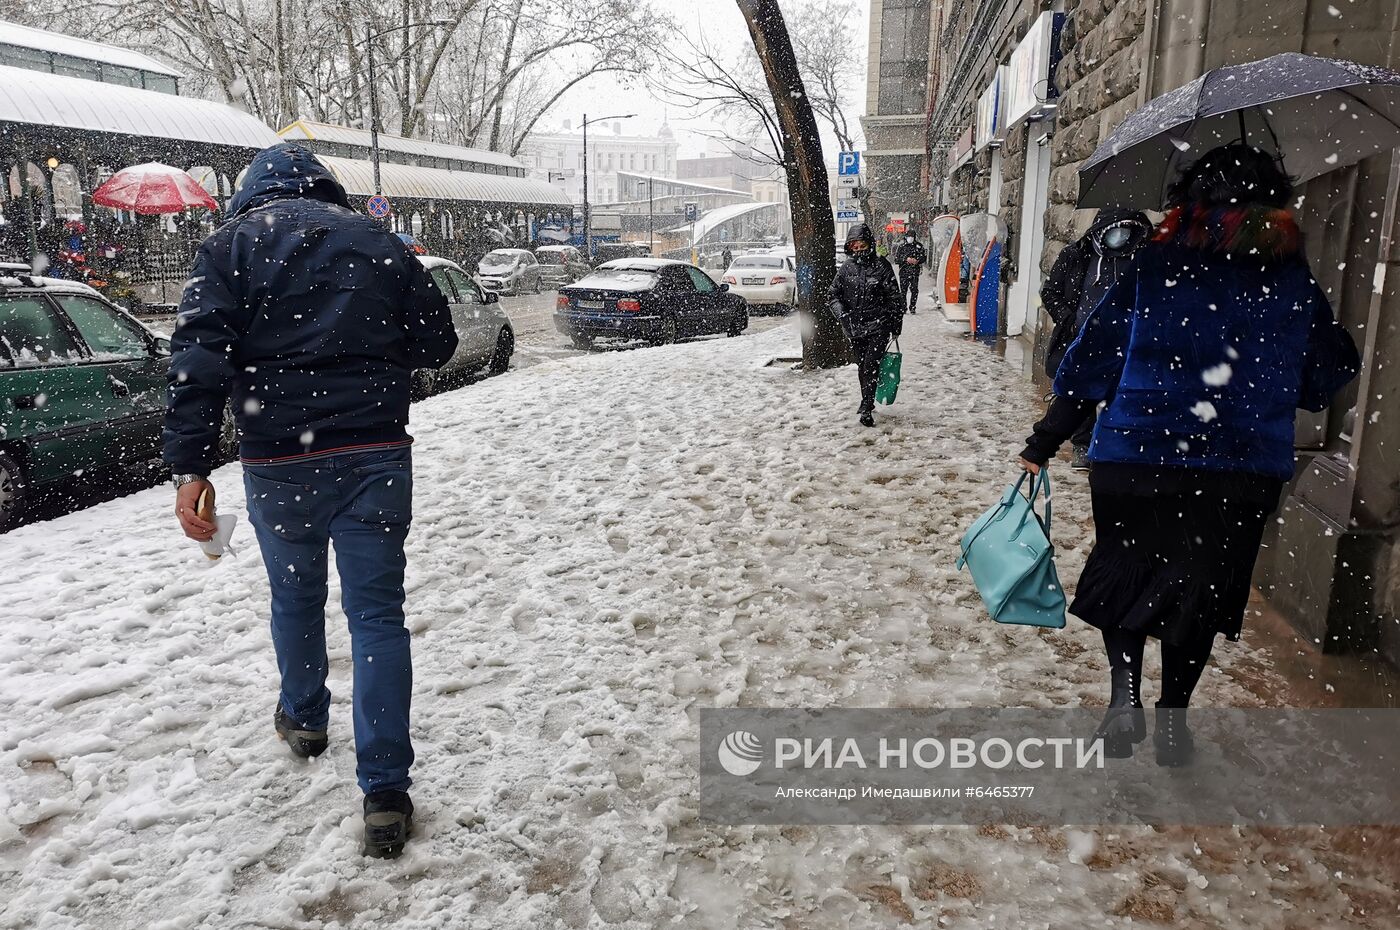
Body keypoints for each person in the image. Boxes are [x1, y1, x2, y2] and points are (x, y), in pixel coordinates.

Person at [1018, 145, 1359, 766]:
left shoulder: (1151, 265)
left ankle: (1125, 697)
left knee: (1125, 570)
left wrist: (1045, 440)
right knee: (1200, 591)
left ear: (1186, 198)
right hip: (1239, 467)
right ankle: (1174, 721)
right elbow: (1320, 380)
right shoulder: (1290, 278)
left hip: (1138, 454)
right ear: (1275, 201)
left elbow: (1089, 365)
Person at [163, 143, 457, 858]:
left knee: (294, 598)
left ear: (249, 193)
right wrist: (370, 347)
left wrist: (190, 468)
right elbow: (438, 344)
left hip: (279, 461)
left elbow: (199, 363)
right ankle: (386, 789)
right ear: (328, 188)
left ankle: (304, 718)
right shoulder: (381, 243)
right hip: (374, 454)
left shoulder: (229, 247)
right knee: (378, 617)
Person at [1040, 208, 1153, 467]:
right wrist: (1068, 320)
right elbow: (1050, 292)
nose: (1121, 234)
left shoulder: (1139, 259)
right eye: (1117, 227)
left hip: (1124, 339)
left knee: (1118, 394)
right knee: (1081, 392)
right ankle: (1082, 444)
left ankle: (1114, 446)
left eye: (1128, 228)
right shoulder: (1076, 255)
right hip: (1080, 336)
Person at [831, 223, 904, 427]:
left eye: (861, 245)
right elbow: (833, 295)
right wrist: (843, 315)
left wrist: (896, 325)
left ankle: (866, 404)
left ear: (869, 244)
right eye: (854, 246)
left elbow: (894, 298)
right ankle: (867, 399)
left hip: (878, 326)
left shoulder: (882, 266)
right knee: (862, 365)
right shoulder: (846, 269)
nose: (858, 249)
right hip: (854, 328)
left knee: (871, 365)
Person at [893, 231, 927, 314]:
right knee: (903, 291)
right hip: (903, 272)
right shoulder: (901, 247)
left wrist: (917, 260)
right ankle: (903, 307)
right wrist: (905, 259)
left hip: (914, 272)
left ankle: (912, 307)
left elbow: (924, 257)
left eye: (912, 236)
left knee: (914, 290)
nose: (910, 238)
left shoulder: (919, 246)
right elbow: (896, 259)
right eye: (909, 236)